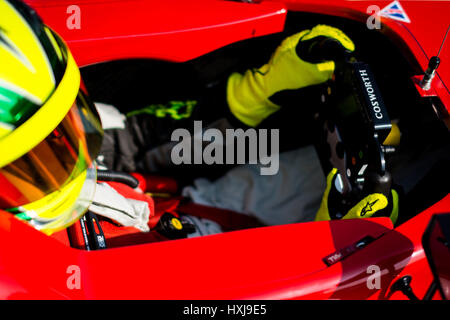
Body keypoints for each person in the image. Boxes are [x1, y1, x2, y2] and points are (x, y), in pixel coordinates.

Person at [0, 0, 397, 239]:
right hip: (225, 269)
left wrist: (258, 93)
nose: (67, 150)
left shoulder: (81, 140)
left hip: (201, 203)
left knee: (381, 156)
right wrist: (337, 246)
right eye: (29, 162)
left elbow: (138, 139)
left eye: (63, 128)